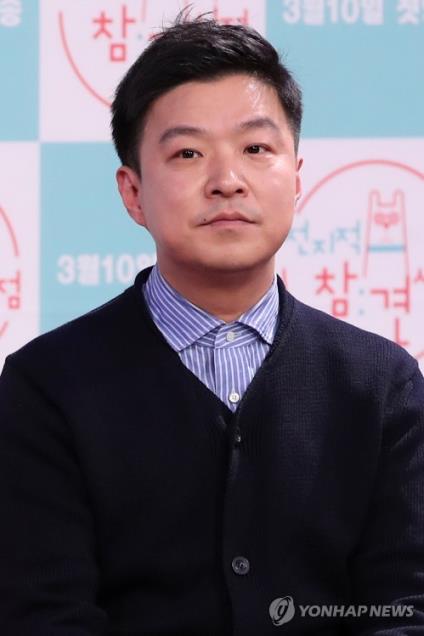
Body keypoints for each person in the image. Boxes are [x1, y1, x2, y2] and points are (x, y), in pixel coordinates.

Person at [0, 12, 423, 636]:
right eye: (188, 153)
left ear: (296, 178)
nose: (227, 182)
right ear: (133, 193)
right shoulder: (45, 386)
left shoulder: (382, 385)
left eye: (256, 149)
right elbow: (43, 615)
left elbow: (405, 607)